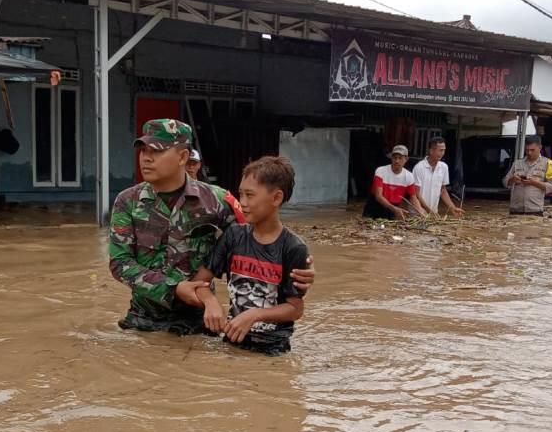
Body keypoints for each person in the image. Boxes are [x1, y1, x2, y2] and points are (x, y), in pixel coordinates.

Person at [109, 119, 314, 335]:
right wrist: (174, 288)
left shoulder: (217, 201)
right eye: (143, 150)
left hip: (200, 322)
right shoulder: (127, 201)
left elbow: (257, 240)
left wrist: (301, 266)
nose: (146, 158)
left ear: (182, 157)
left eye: (157, 151)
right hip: (142, 321)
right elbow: (119, 264)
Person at [176, 156, 308, 356]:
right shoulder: (233, 236)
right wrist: (210, 301)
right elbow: (198, 283)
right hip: (232, 341)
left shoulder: (293, 248)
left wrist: (255, 315)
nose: (242, 203)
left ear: (276, 198)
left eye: (250, 195)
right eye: (240, 194)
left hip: (273, 348)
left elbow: (295, 309)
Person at [362, 145, 425, 220]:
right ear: (391, 158)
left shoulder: (409, 176)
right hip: (375, 206)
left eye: (400, 158)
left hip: (392, 208)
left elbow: (413, 198)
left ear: (406, 159)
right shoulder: (380, 171)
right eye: (395, 158)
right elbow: (378, 196)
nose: (397, 161)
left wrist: (422, 213)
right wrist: (395, 209)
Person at [503, 135, 552, 215]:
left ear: (540, 147)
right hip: (515, 211)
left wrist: (534, 183)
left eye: (532, 150)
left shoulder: (548, 163)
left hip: (535, 211)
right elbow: (504, 182)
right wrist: (512, 180)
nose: (529, 153)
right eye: (527, 150)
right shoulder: (517, 163)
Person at [413, 137, 464, 218]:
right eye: (440, 150)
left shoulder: (444, 167)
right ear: (431, 151)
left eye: (443, 150)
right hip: (418, 213)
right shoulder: (419, 167)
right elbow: (416, 193)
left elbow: (443, 190)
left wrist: (452, 208)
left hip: (432, 213)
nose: (442, 153)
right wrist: (429, 211)